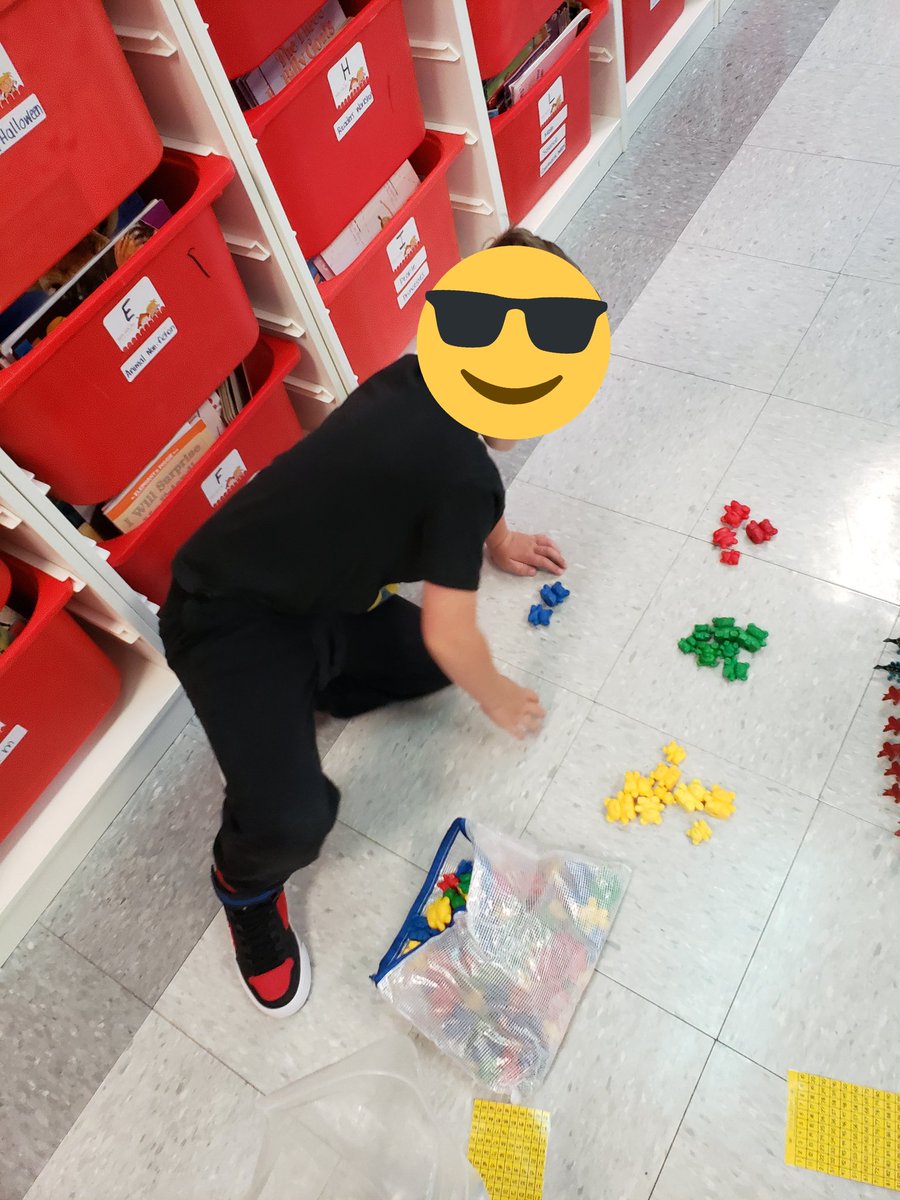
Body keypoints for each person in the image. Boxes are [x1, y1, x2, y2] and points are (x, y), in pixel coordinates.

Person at [158, 228, 573, 1018]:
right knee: (295, 817)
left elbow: (471, 487)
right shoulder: (459, 473)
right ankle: (243, 889)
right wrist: (500, 694)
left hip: (323, 602)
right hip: (226, 619)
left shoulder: (424, 383)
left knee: (418, 669)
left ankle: (309, 684)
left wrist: (502, 541)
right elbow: (456, 631)